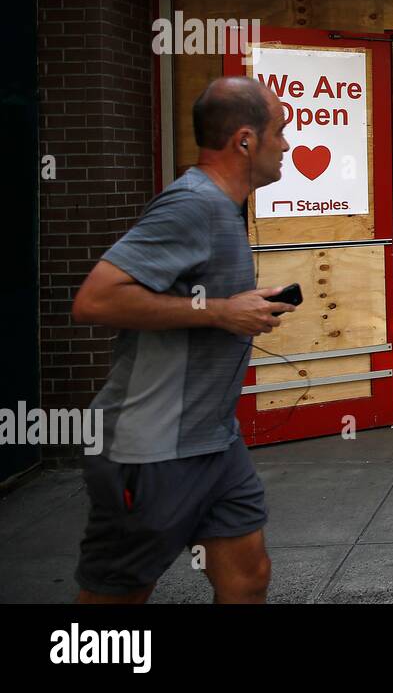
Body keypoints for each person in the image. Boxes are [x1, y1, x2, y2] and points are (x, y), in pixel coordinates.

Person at [69, 75, 296, 603]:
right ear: (245, 140)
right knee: (119, 593)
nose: (286, 145)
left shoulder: (223, 207)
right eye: (279, 132)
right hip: (150, 446)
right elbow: (95, 300)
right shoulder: (191, 205)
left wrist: (239, 307)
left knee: (248, 574)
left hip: (213, 439)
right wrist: (219, 312)